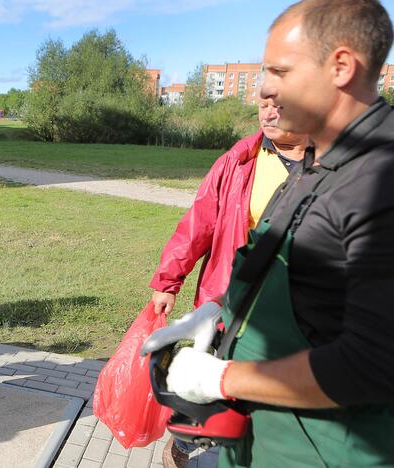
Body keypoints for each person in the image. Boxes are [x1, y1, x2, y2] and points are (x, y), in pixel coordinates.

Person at [147, 1, 394, 466]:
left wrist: (222, 379)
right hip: (264, 440)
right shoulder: (313, 163)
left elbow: (371, 364)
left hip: (329, 452)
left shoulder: (380, 181)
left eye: (279, 71)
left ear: (341, 66)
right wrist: (222, 313)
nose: (265, 89)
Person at [148, 100, 308, 468]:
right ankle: (184, 447)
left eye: (279, 103)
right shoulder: (238, 162)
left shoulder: (329, 166)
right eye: (263, 103)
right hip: (230, 298)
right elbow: (197, 223)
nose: (268, 112)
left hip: (295, 308)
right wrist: (168, 281)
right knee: (212, 381)